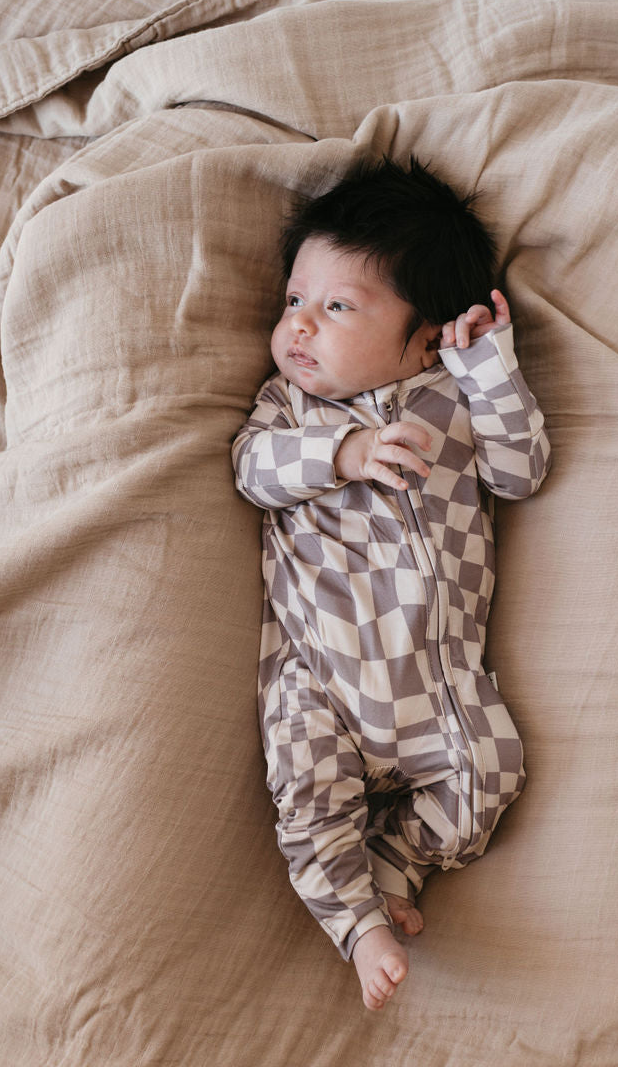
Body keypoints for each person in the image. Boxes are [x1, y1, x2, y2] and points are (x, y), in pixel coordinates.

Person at [232, 157, 551, 1010]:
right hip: (321, 679)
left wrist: (489, 369)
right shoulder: (292, 413)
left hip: (440, 690)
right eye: (294, 300)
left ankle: (400, 857)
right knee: (305, 789)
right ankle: (354, 919)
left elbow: (522, 473)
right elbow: (251, 471)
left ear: (422, 336)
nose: (300, 326)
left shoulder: (452, 401)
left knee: (495, 771)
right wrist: (341, 455)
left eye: (337, 307)